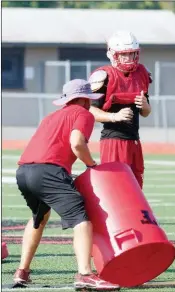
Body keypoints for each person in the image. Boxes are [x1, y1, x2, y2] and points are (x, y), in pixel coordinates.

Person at [13, 79, 120, 291]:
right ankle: (85, 274)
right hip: (48, 171)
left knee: (39, 218)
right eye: (89, 99)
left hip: (24, 171)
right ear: (83, 99)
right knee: (82, 220)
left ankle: (22, 272)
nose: (91, 103)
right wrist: (91, 164)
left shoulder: (51, 116)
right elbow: (77, 143)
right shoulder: (83, 114)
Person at [88, 30, 152, 188]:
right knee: (116, 187)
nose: (129, 58)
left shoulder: (141, 73)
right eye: (124, 54)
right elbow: (90, 111)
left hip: (135, 141)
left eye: (132, 54)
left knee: (136, 187)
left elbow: (146, 112)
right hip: (113, 141)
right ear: (113, 54)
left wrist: (145, 105)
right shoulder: (104, 76)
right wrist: (114, 116)